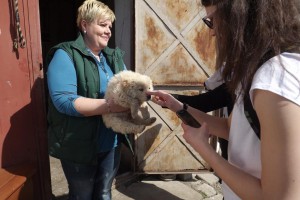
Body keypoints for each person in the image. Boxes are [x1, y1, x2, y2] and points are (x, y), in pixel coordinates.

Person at [148, 0, 300, 199]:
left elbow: (277, 196)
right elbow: (232, 129)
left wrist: (205, 150)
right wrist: (179, 106)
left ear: (242, 17)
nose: (212, 32)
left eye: (212, 21)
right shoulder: (255, 70)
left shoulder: (275, 78)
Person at [46, 0, 130, 199]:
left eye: (110, 26)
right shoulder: (65, 54)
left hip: (111, 142)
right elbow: (64, 101)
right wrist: (111, 106)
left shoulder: (113, 57)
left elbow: (129, 86)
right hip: (78, 145)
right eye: (103, 25)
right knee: (81, 195)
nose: (109, 31)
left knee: (104, 192)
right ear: (84, 25)